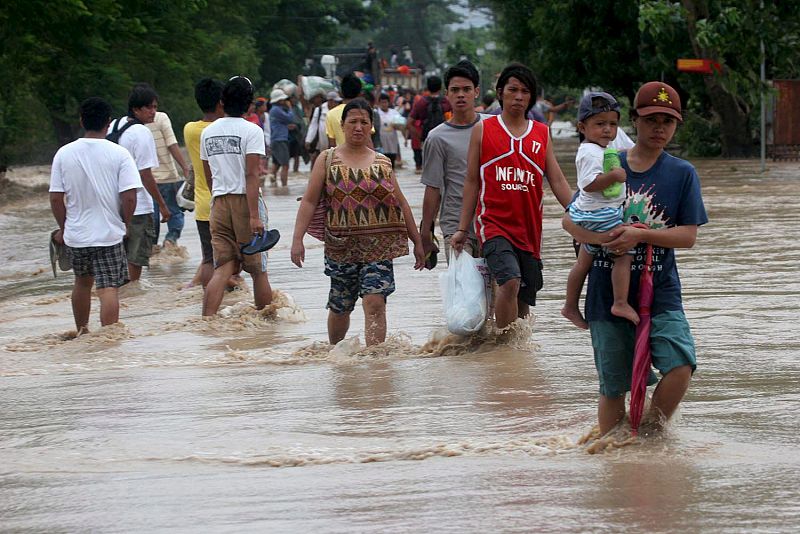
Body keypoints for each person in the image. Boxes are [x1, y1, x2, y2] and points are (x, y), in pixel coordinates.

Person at [562, 81, 707, 435]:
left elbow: (687, 236)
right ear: (635, 122)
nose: (660, 128)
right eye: (651, 119)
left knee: (681, 365)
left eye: (668, 121)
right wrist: (600, 239)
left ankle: (646, 436)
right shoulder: (606, 161)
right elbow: (569, 220)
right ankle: (615, 453)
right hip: (604, 288)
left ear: (676, 126)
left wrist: (640, 234)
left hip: (662, 288)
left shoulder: (681, 173)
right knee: (614, 384)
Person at [291, 98, 425, 346]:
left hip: (379, 248)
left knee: (375, 302)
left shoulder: (383, 162)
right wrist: (297, 240)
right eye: (353, 121)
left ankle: (375, 362)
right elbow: (309, 202)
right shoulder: (327, 160)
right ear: (342, 125)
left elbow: (401, 204)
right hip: (341, 248)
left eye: (364, 122)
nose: (358, 127)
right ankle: (336, 355)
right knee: (341, 306)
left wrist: (417, 242)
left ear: (371, 126)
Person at [450, 63, 573, 330]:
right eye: (513, 90)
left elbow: (557, 179)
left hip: (529, 230)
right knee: (509, 281)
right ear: (500, 93)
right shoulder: (483, 130)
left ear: (531, 97)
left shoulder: (542, 133)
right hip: (493, 225)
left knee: (525, 298)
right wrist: (462, 228)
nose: (518, 96)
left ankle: (516, 358)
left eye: (525, 91)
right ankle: (503, 349)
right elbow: (472, 180)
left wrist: (580, 214)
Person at [49, 97, 141, 333]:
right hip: (109, 233)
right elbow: (129, 197)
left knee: (81, 283)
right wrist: (125, 224)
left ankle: (82, 331)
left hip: (77, 235)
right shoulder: (119, 154)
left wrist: (64, 227)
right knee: (108, 287)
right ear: (108, 123)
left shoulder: (63, 153)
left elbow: (56, 198)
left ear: (81, 120)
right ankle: (108, 341)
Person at [561, 92, 637, 330]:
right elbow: (589, 183)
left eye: (612, 124)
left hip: (589, 215)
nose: (607, 130)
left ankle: (570, 306)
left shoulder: (600, 147)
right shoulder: (589, 152)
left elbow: (627, 151)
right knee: (624, 254)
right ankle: (620, 302)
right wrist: (614, 176)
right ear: (582, 127)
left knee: (583, 263)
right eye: (600, 124)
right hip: (601, 216)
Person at [200, 76, 272, 316]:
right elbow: (252, 175)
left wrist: (217, 200)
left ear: (222, 101)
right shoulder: (252, 131)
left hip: (218, 202)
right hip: (245, 201)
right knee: (257, 269)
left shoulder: (207, 132)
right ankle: (268, 326)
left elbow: (208, 175)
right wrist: (254, 216)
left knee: (222, 267)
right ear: (250, 104)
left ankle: (207, 321)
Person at [419, 59, 482, 263]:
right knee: (463, 292)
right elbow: (433, 188)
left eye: (466, 89)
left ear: (477, 92)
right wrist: (425, 234)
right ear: (447, 94)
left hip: (493, 223)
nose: (461, 94)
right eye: (455, 90)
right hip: (455, 226)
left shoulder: (494, 127)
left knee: (498, 293)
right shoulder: (437, 138)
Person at [109, 83, 170, 283]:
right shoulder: (142, 133)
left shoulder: (113, 126)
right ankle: (130, 299)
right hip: (137, 205)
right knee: (135, 259)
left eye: (155, 107)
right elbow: (145, 174)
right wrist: (162, 205)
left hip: (112, 203)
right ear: (136, 109)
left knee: (116, 257)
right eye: (149, 107)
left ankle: (115, 296)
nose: (154, 112)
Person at [184, 78, 225, 289]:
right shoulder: (225, 130)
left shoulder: (190, 130)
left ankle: (208, 303)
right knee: (230, 261)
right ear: (221, 102)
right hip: (227, 202)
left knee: (209, 259)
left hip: (202, 205)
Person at [147, 108, 190, 248]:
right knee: (174, 213)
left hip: (147, 180)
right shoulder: (161, 118)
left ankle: (152, 248)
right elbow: (172, 144)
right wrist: (184, 167)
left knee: (152, 217)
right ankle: (170, 240)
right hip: (168, 177)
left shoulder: (131, 125)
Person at [409, 75, 452, 149]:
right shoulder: (446, 102)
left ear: (428, 87)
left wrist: (421, 136)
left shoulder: (421, 102)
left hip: (426, 140)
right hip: (443, 139)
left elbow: (409, 123)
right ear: (440, 87)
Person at [325, 72, 364, 148]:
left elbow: (332, 144)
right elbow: (368, 141)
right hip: (362, 158)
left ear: (341, 93)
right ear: (360, 93)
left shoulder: (331, 114)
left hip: (339, 158)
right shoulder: (365, 112)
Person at [268, 88, 295, 186]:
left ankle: (273, 185)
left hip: (276, 139)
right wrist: (290, 107)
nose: (285, 101)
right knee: (285, 165)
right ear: (279, 100)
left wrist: (286, 127)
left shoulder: (274, 110)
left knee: (276, 163)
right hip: (280, 140)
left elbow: (280, 123)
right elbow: (290, 118)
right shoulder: (277, 110)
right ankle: (284, 186)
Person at [305, 91, 334, 166]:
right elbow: (313, 125)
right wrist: (308, 140)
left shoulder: (339, 110)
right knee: (316, 160)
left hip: (334, 142)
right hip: (320, 141)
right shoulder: (319, 110)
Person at [377, 93, 402, 167]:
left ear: (388, 102)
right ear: (379, 103)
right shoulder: (376, 113)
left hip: (392, 143)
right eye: (382, 102)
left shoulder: (394, 113)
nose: (384, 104)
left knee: (391, 165)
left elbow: (401, 126)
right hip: (381, 144)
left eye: (385, 102)